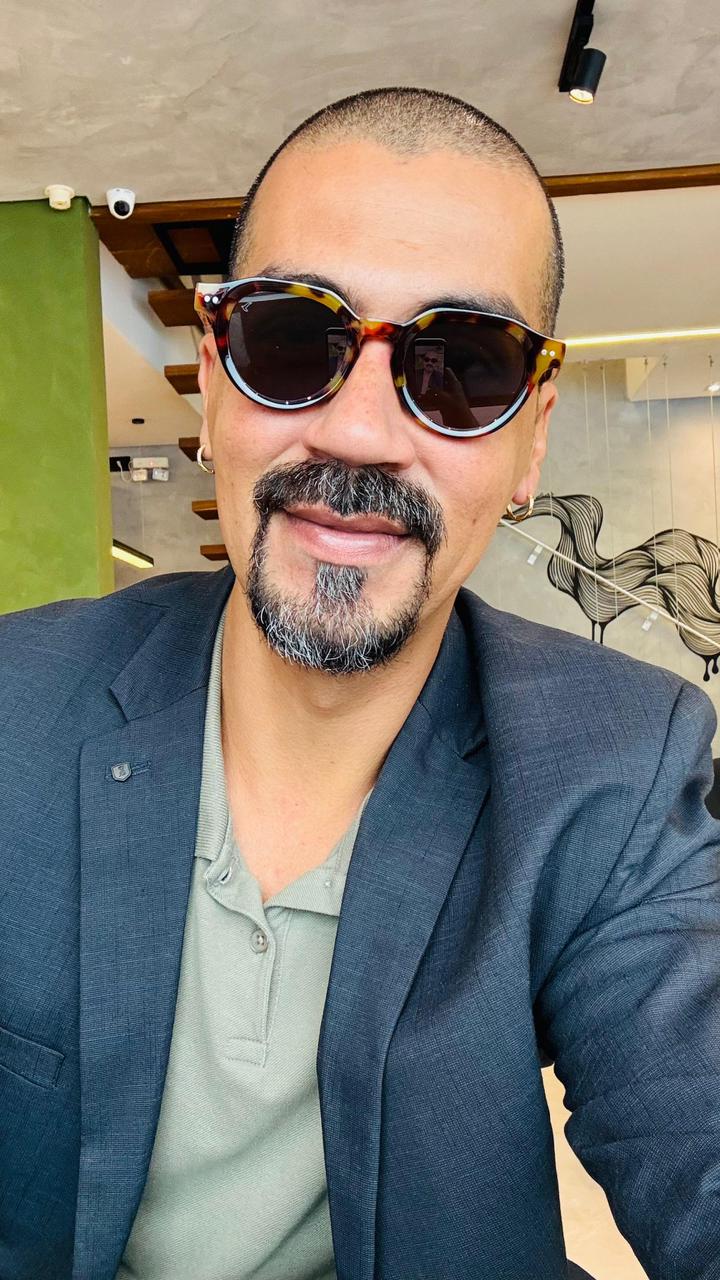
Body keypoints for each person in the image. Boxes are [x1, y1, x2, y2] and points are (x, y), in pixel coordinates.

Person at [1, 87, 718, 1280]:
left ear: (532, 436)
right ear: (213, 380)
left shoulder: (612, 761)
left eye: (463, 366)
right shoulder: (17, 702)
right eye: (294, 339)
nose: (360, 434)